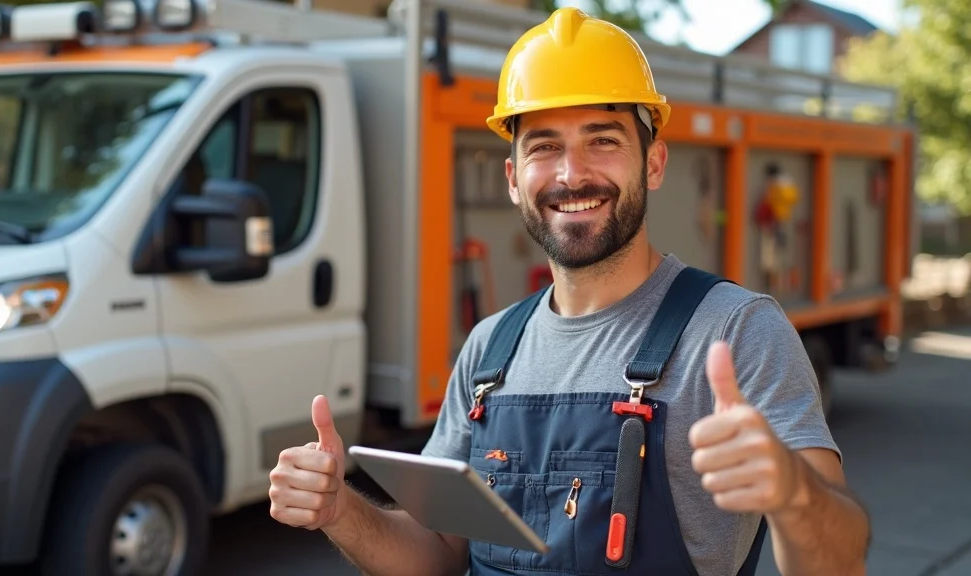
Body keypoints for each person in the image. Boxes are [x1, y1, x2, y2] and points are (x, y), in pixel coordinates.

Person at [269, 7, 870, 576]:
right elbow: (437, 552)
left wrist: (793, 493)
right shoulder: (489, 352)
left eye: (603, 140)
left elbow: (841, 560)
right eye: (544, 146)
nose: (571, 173)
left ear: (654, 164)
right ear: (513, 179)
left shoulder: (735, 331)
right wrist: (342, 511)